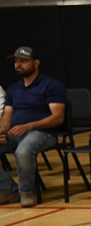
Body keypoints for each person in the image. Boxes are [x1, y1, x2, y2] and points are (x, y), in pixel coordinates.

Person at [0, 47, 66, 208]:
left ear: (36, 63)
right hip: (15, 132)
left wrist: (29, 126)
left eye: (23, 61)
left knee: (23, 151)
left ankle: (27, 192)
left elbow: (57, 117)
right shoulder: (14, 89)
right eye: (16, 62)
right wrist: (1, 132)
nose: (18, 65)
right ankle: (9, 188)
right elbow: (7, 117)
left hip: (42, 132)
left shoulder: (51, 85)